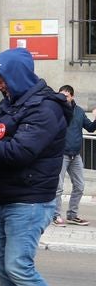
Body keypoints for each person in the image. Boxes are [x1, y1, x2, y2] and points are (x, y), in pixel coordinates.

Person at [0, 49, 78, 286]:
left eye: (2, 80)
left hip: (31, 199)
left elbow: (20, 152)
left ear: (18, 76)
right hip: (9, 196)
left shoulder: (45, 108)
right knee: (2, 265)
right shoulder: (13, 104)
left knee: (18, 266)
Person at [53, 85, 95, 226]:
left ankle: (72, 215)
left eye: (65, 96)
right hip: (60, 154)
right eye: (60, 96)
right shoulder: (55, 111)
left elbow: (90, 127)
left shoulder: (79, 111)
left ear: (72, 97)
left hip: (75, 155)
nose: (62, 98)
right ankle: (56, 215)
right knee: (58, 187)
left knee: (80, 186)